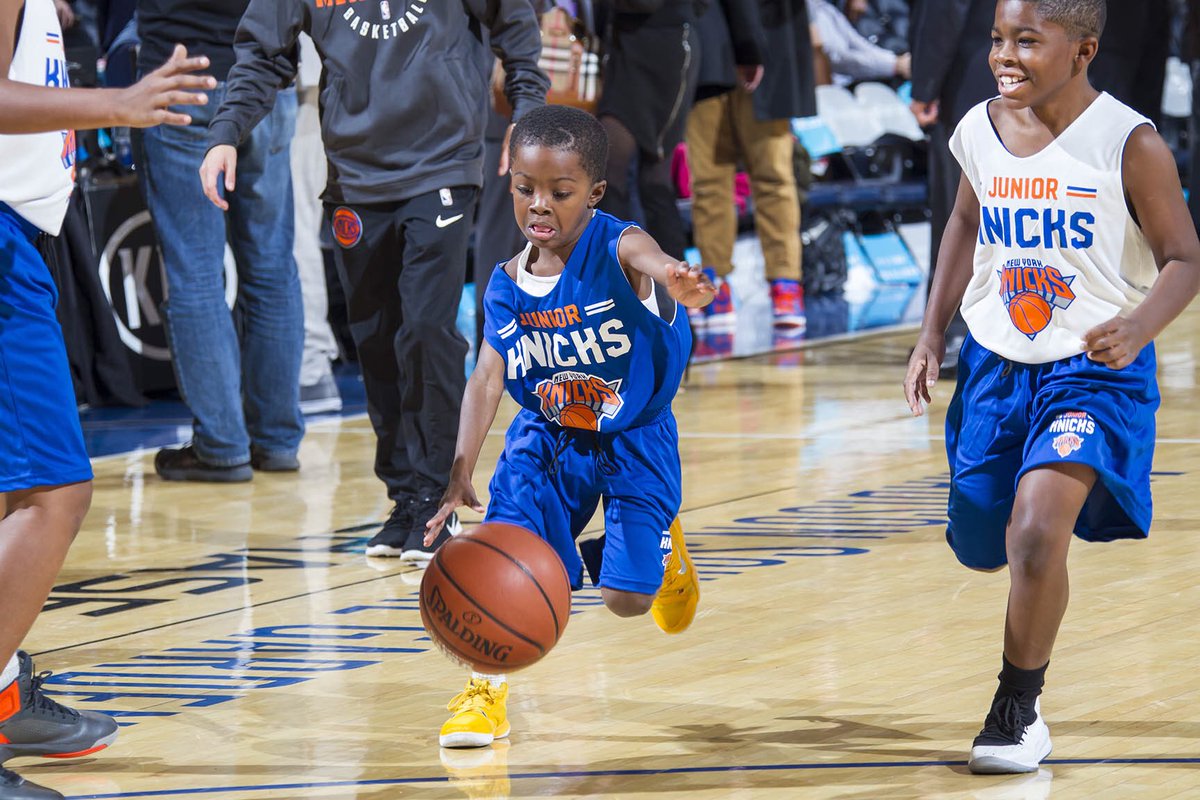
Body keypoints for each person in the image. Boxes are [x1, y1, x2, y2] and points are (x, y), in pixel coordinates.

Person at [904, 0, 1200, 775]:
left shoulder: (1130, 143)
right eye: (1000, 38)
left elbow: (1185, 257)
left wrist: (1138, 330)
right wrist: (933, 333)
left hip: (1094, 368)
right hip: (997, 363)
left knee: (1037, 529)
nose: (1004, 55)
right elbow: (965, 224)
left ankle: (1016, 708)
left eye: (1028, 41)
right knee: (980, 537)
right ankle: (1018, 589)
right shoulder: (979, 128)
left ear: (1083, 50)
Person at [199, 0, 548, 560]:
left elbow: (514, 23)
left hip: (442, 163)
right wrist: (225, 131)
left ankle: (440, 495)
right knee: (377, 338)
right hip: (355, 176)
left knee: (427, 330)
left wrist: (527, 112)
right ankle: (405, 496)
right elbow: (264, 53)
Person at [422, 105, 712, 749]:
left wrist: (675, 277)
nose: (540, 206)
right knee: (502, 557)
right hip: (547, 440)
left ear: (595, 194)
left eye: (560, 192)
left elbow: (650, 254)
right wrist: (461, 468)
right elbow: (487, 379)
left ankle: (658, 550)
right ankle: (483, 695)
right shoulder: (504, 285)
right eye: (526, 190)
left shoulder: (617, 246)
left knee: (626, 602)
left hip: (635, 435)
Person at [0, 0, 213, 788]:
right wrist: (115, 105)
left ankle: (4, 690)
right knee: (57, 492)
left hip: (19, 229)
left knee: (15, 489)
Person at [138, 0, 305, 482]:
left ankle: (221, 445)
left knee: (196, 276)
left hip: (183, 76)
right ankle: (275, 440)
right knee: (273, 269)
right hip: (266, 78)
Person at [686, 0, 816, 329]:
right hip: (708, 35)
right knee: (708, 178)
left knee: (772, 176)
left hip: (768, 40)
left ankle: (785, 284)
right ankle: (716, 286)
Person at [595, 0, 700, 262]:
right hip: (621, 46)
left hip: (667, 46)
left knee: (654, 176)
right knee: (608, 168)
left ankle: (674, 287)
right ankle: (614, 279)